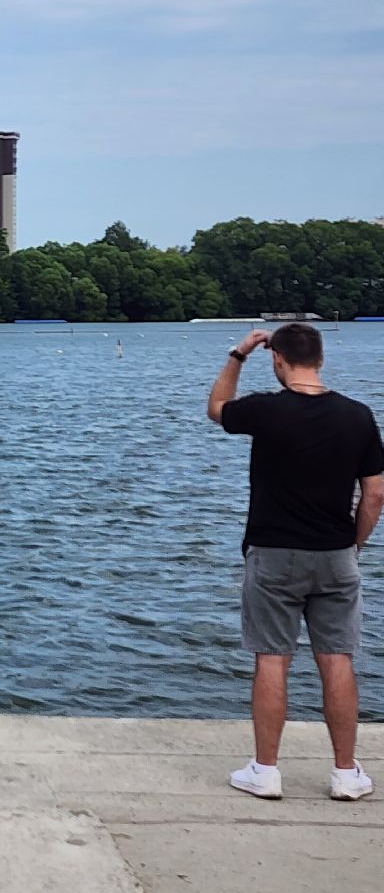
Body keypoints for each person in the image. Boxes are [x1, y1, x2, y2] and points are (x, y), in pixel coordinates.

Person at [208, 323, 384, 801]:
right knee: (337, 659)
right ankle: (346, 773)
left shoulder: (267, 409)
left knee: (272, 657)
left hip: (274, 554)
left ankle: (265, 771)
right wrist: (356, 543)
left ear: (278, 360)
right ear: (321, 360)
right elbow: (375, 492)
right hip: (336, 554)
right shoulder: (358, 416)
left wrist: (238, 354)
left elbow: (217, 409)